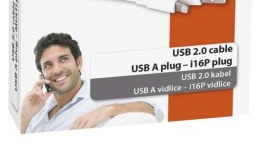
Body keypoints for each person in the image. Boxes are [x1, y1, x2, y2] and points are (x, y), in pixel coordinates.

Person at [21, 33, 163, 133]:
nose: (57, 70)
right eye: (48, 65)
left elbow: (153, 110)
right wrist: (25, 115)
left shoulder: (102, 91)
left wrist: (107, 110)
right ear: (42, 75)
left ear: (79, 62)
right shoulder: (39, 110)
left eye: (63, 59)